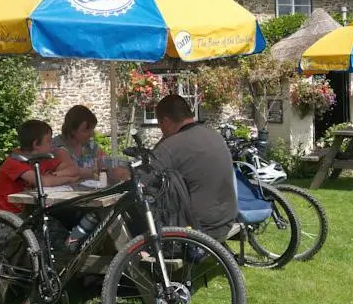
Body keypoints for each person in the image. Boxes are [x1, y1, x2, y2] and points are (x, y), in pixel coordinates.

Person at [151, 95, 238, 241]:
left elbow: (145, 174)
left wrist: (119, 173)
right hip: (226, 219)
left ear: (165, 121)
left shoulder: (171, 145)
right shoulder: (213, 134)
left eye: (160, 124)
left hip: (199, 228)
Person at [0, 119, 80, 214]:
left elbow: (73, 170)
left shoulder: (41, 157)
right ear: (36, 144)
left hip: (29, 212)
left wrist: (55, 174)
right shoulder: (14, 162)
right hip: (10, 215)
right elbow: (43, 182)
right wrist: (69, 179)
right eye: (48, 141)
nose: (51, 145)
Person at [53, 105, 130, 182]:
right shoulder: (57, 146)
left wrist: (117, 170)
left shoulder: (90, 146)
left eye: (92, 129)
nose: (92, 134)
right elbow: (72, 172)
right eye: (86, 130)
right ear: (72, 130)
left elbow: (106, 163)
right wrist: (96, 170)